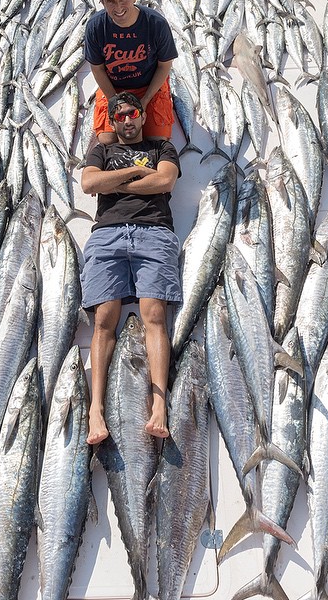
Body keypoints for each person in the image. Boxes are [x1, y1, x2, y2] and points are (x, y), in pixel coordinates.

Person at [80, 92, 182, 445]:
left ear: (142, 116)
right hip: (106, 235)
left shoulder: (161, 147)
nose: (126, 120)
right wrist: (138, 171)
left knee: (154, 314)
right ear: (112, 120)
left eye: (132, 113)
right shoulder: (101, 150)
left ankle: (159, 404)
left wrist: (114, 182)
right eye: (119, 115)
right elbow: (89, 183)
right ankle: (96, 409)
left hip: (155, 232)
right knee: (104, 319)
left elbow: (164, 181)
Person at [84, 0, 178, 145]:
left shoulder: (156, 23)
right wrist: (115, 101)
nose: (118, 7)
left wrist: (145, 101)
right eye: (110, 0)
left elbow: (164, 66)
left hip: (149, 87)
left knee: (157, 141)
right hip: (113, 87)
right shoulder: (95, 26)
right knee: (107, 140)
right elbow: (97, 69)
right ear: (102, 2)